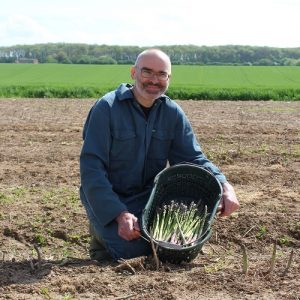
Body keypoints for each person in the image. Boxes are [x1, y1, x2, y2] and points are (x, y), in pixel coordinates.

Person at [80, 48, 239, 261]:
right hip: (110, 198)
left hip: (149, 197)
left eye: (162, 74)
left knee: (173, 245)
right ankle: (100, 237)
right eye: (147, 72)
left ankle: (125, 232)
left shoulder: (172, 113)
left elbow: (193, 159)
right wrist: (119, 214)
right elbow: (92, 170)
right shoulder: (106, 108)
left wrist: (225, 185)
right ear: (133, 73)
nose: (154, 80)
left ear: (169, 78)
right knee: (131, 251)